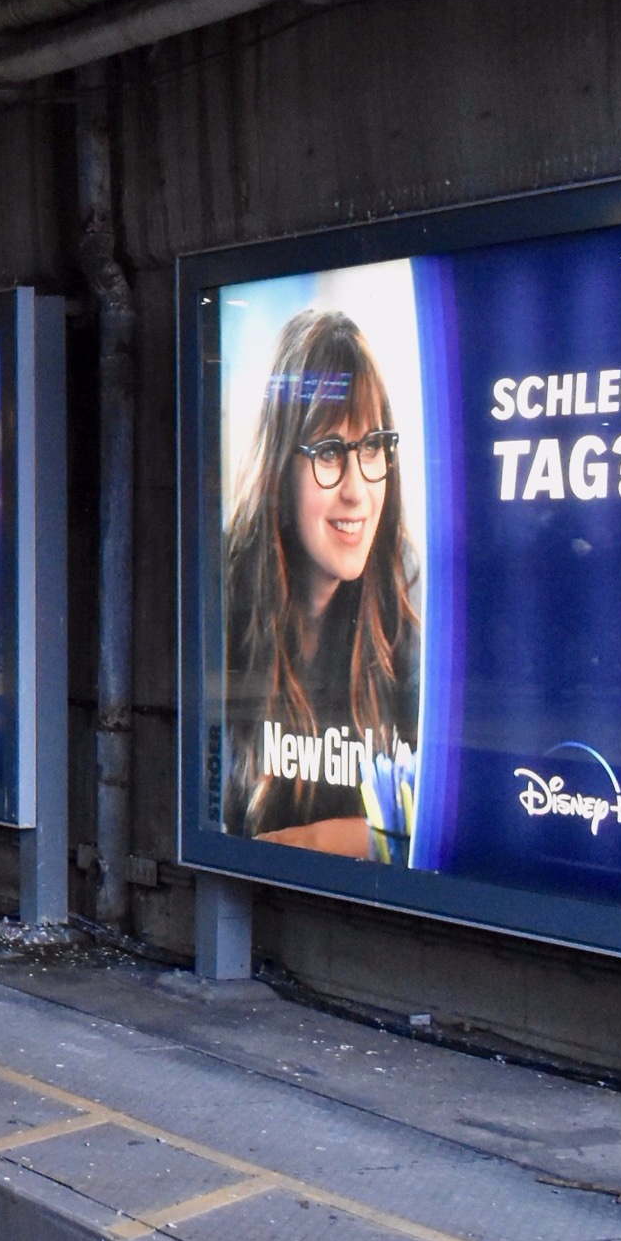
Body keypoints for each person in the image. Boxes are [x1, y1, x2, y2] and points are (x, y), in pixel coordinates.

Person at [221, 308, 421, 861]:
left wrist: (308, 842)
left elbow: (426, 814)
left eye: (372, 447)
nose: (357, 489)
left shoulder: (401, 597)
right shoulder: (222, 596)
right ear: (280, 465)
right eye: (330, 452)